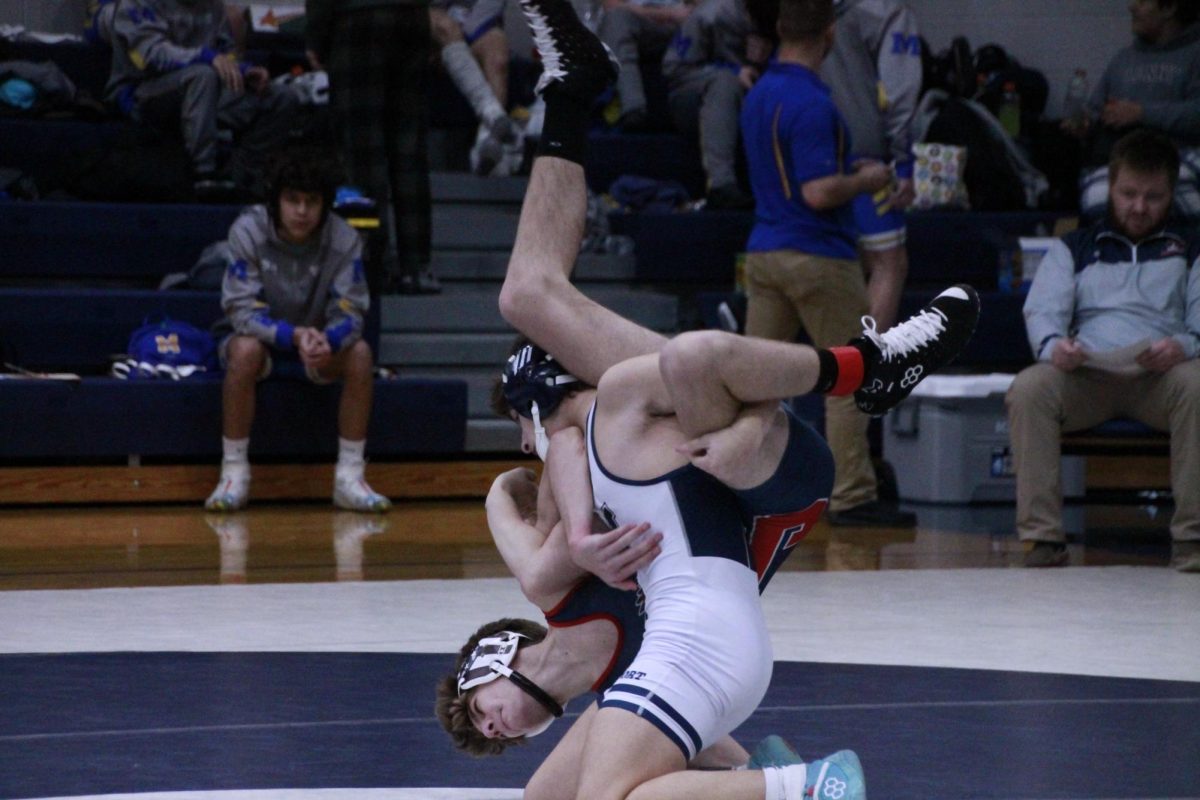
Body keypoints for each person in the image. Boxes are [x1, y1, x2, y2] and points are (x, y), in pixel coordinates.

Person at [456, 0, 980, 797]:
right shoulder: (580, 487)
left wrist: (578, 529)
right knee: (694, 399)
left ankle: (572, 92)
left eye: (484, 718)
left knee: (553, 308)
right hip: (756, 485)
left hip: (723, 462)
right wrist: (579, 529)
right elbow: (537, 483)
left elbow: (539, 469)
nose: (499, 732)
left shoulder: (590, 450)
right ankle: (860, 368)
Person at [437, 465, 818, 797]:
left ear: (490, 656)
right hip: (723, 611)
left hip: (696, 500)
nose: (491, 729)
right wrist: (755, 769)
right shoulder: (625, 692)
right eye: (498, 739)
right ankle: (793, 786)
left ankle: (795, 787)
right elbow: (710, 745)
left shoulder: (556, 590)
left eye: (476, 710)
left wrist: (499, 492)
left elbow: (571, 467)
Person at [739, 0, 913, 528]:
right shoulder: (814, 100)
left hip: (765, 250)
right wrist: (867, 180)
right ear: (831, 34)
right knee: (850, 377)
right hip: (817, 255)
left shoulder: (759, 92)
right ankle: (853, 494)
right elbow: (817, 192)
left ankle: (739, 485)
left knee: (751, 383)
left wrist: (848, 169)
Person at [1007, 129, 1200, 572]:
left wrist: (1183, 346)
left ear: (1171, 194)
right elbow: (1042, 311)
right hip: (1087, 374)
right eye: (1128, 193)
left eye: (1153, 197)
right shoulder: (1074, 247)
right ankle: (1042, 538)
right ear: (1110, 189)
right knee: (1030, 388)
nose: (1138, 207)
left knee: (1197, 385)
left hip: (1162, 376)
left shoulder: (1192, 248)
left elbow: (1198, 323)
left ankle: (1192, 540)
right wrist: (1056, 347)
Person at [205, 147, 392, 514]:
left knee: (360, 354)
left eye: (312, 201)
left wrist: (330, 339)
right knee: (243, 351)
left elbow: (351, 309)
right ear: (276, 201)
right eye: (293, 200)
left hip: (317, 348)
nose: (303, 211)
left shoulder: (344, 238)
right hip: (261, 344)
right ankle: (233, 473)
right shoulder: (247, 231)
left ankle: (349, 477)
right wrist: (292, 335)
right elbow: (239, 308)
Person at [305, 0, 441, 294]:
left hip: (357, 17)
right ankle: (417, 267)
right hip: (412, 16)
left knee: (362, 156)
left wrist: (316, 36)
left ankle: (371, 264)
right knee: (409, 151)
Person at [105, 0, 299, 199]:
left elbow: (226, 52)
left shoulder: (213, 6)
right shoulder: (136, 4)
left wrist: (243, 71)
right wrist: (204, 56)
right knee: (202, 74)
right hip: (143, 92)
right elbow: (150, 57)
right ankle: (203, 173)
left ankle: (244, 176)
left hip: (205, 93)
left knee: (281, 97)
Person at [820, 0, 921, 332]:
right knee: (889, 263)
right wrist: (903, 163)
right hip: (861, 157)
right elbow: (898, 92)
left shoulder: (796, 8)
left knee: (829, 263)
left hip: (799, 149)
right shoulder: (886, 11)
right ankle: (859, 371)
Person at [1069, 0, 1200, 226]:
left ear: (1169, 8)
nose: (1131, 7)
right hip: (1124, 159)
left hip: (1178, 159)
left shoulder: (1195, 54)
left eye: (1141, 1)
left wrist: (1141, 113)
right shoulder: (1123, 59)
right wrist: (1084, 124)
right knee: (1098, 197)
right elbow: (1096, 108)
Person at [660, 0, 766, 209]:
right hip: (692, 98)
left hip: (748, 100)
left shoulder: (782, 16)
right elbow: (673, 68)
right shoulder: (710, 14)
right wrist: (734, 71)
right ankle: (721, 185)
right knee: (725, 82)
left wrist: (764, 61)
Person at [430, 0, 524, 175]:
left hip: (469, 26)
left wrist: (463, 40)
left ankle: (488, 144)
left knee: (497, 55)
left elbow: (487, 10)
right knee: (445, 26)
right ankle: (493, 114)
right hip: (421, 20)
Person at [596, 0, 692, 132]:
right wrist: (667, 14)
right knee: (615, 19)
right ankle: (633, 109)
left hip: (682, 26)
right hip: (638, 21)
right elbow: (612, 5)